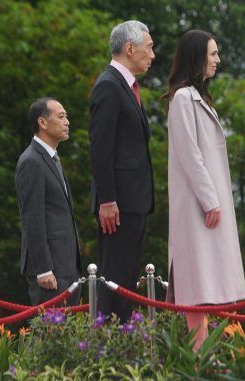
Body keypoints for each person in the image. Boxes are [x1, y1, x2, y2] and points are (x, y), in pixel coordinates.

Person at [163, 30, 245, 351]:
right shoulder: (183, 98)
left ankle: (204, 355)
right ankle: (198, 355)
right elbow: (190, 154)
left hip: (207, 205)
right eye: (213, 54)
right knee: (198, 282)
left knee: (207, 282)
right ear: (197, 57)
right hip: (199, 206)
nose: (217, 60)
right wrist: (209, 200)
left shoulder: (196, 98)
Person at [88, 20, 155, 322]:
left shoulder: (125, 86)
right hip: (118, 205)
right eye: (149, 47)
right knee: (114, 278)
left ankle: (124, 342)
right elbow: (101, 151)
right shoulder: (108, 85)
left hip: (133, 201)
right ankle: (107, 347)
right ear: (130, 48)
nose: (152, 55)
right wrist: (107, 199)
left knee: (127, 277)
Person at [16, 97, 82, 307]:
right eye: (61, 116)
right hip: (50, 269)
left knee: (66, 336)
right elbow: (32, 218)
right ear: (42, 123)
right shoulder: (31, 161)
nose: (67, 122)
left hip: (66, 265)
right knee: (50, 335)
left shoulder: (51, 157)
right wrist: (43, 269)